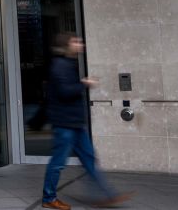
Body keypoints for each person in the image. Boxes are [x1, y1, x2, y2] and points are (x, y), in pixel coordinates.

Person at [41, 33, 132, 209]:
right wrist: (84, 83)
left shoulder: (68, 64)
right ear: (66, 45)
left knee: (90, 160)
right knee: (58, 163)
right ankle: (48, 198)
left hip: (75, 124)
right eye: (75, 42)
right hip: (65, 124)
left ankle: (107, 195)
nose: (80, 44)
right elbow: (64, 92)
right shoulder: (59, 65)